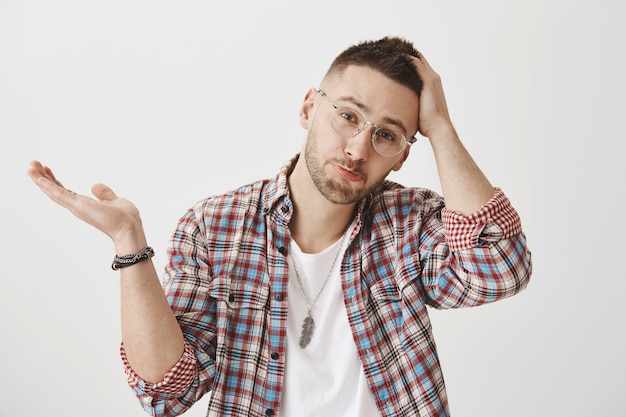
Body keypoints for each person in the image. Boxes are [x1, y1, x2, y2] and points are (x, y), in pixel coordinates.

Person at [27, 36, 532, 417]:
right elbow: (167, 391)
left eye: (386, 135)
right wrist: (128, 243)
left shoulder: (411, 223)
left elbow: (500, 270)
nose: (358, 148)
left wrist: (440, 127)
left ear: (402, 156)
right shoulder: (213, 227)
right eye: (348, 116)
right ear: (310, 107)